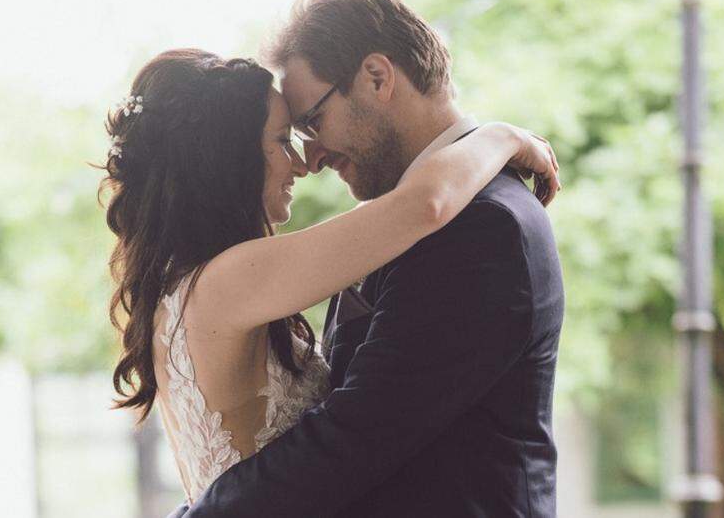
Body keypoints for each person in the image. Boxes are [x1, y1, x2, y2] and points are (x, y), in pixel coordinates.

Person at [99, 41, 559, 516]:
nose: (302, 163)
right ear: (229, 159)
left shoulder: (184, 284)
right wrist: (504, 137)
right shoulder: (232, 279)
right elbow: (426, 204)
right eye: (282, 141)